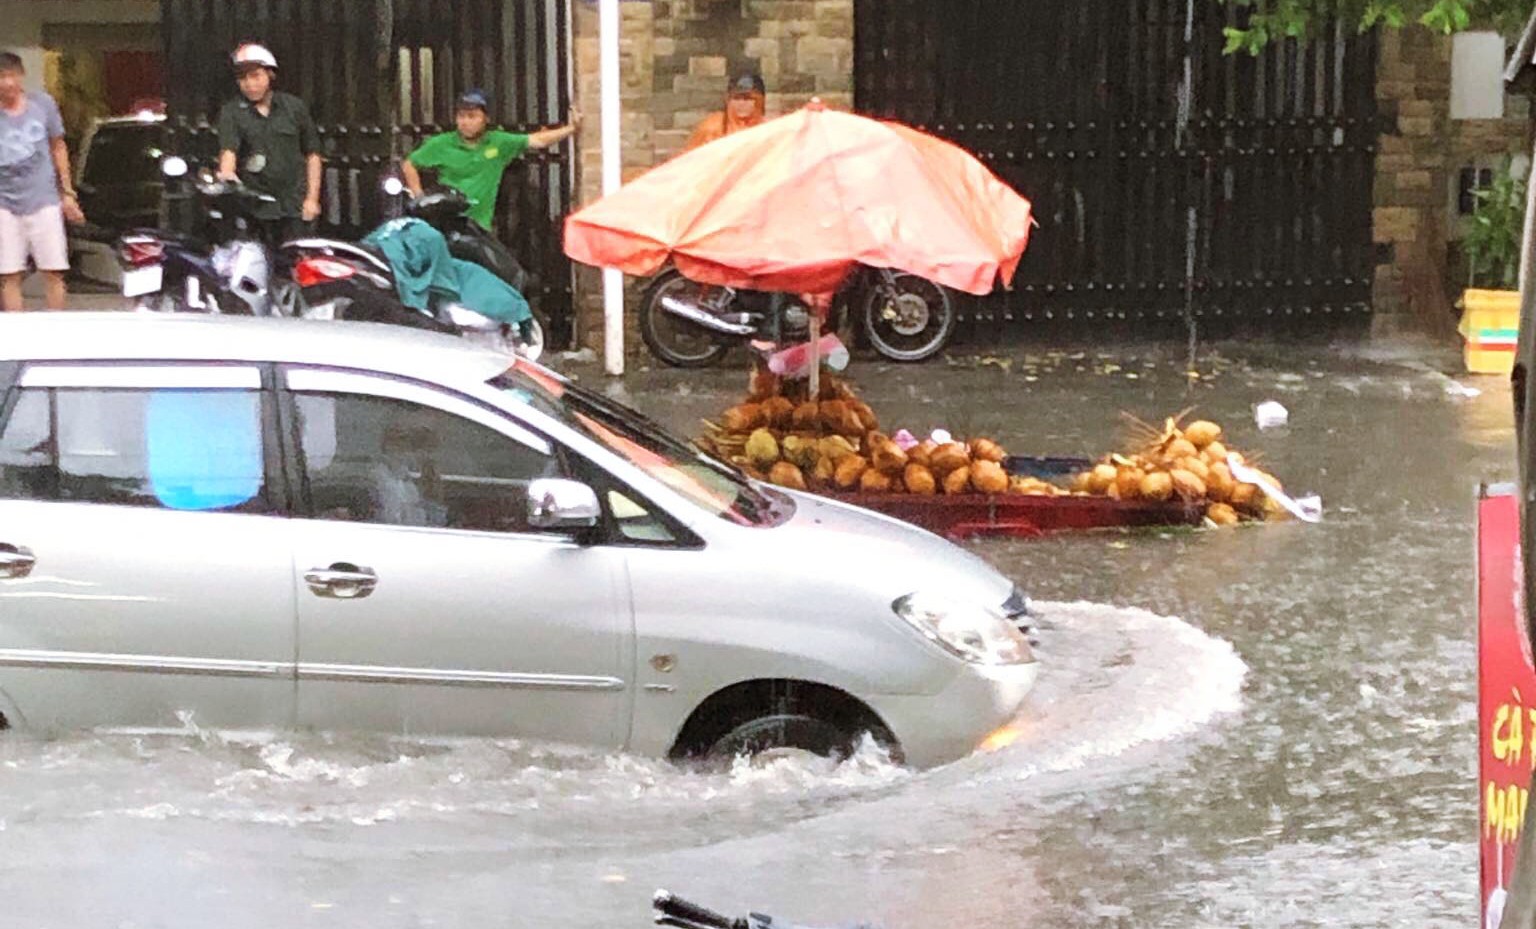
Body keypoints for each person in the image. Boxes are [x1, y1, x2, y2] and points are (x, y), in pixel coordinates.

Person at [401, 88, 580, 231]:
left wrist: (572, 129)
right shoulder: (441, 144)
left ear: (486, 118)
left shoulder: (498, 142)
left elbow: (537, 140)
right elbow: (410, 163)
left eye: (472, 116)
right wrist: (420, 196)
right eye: (461, 116)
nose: (465, 122)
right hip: (446, 226)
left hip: (479, 227)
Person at [0, 50, 85, 312]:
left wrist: (67, 192)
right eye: (1, 77)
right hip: (4, 202)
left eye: (11, 76)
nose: (7, 83)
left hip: (43, 198)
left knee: (53, 270)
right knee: (9, 274)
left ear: (21, 76)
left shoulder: (43, 104)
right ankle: (16, 338)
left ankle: (55, 332)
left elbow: (58, 146)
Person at [216, 43, 323, 246]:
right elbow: (229, 150)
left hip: (294, 206)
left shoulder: (294, 108)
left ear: (269, 75)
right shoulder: (231, 113)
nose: (249, 84)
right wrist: (227, 174)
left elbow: (313, 154)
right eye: (243, 78)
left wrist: (312, 198)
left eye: (255, 76)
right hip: (254, 209)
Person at [683, 72, 767, 153]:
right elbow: (689, 159)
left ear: (760, 101)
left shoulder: (767, 130)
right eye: (736, 98)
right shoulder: (713, 128)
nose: (741, 103)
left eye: (748, 99)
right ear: (728, 100)